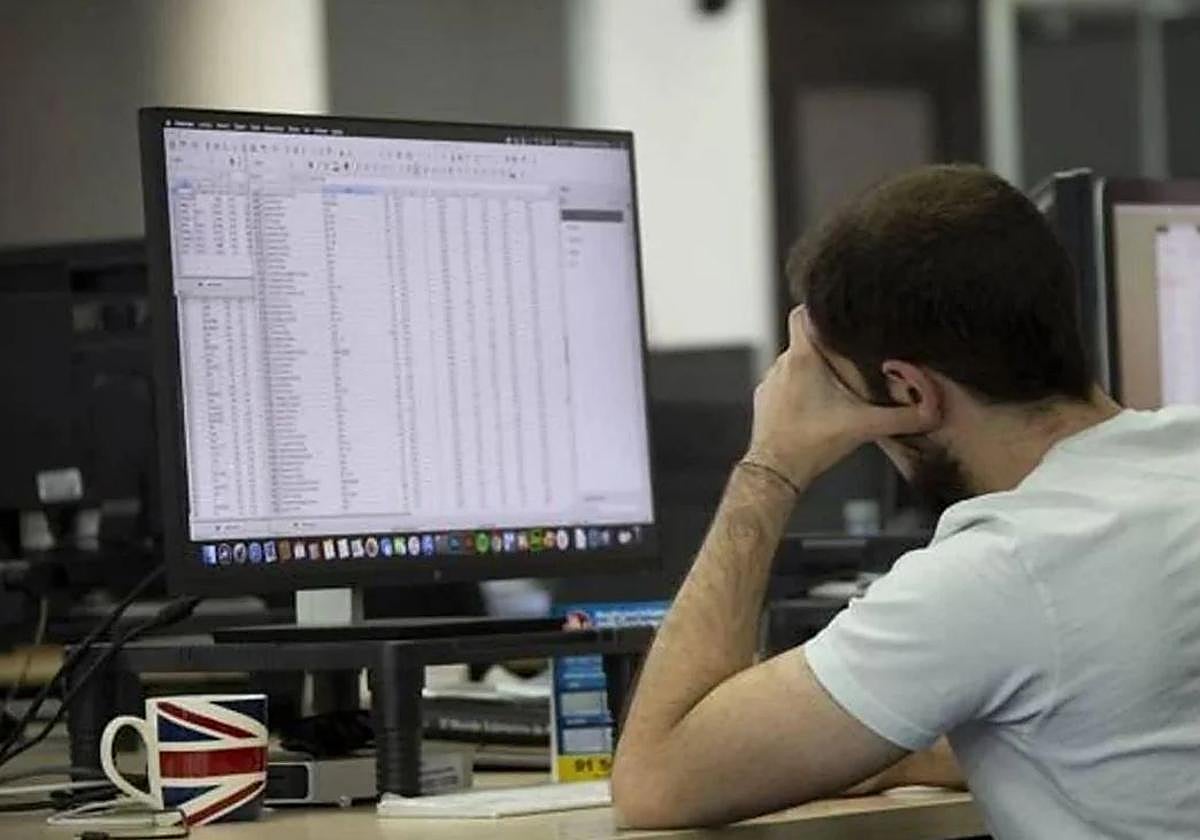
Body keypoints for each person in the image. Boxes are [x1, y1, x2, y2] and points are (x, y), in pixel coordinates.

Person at [610, 165, 1200, 838]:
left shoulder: (1004, 564)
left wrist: (770, 464)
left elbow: (656, 782)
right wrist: (899, 744)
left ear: (907, 391)